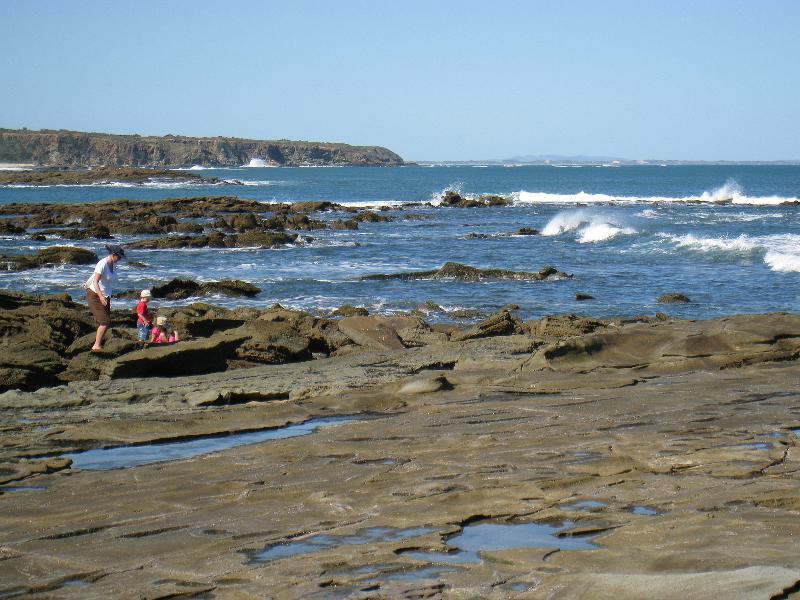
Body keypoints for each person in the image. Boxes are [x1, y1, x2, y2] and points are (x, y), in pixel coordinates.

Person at [85, 244, 125, 351]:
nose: (120, 259)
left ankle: (98, 343)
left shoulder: (114, 264)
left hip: (106, 295)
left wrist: (105, 296)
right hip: (95, 294)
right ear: (113, 254)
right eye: (119, 256)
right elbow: (95, 281)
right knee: (105, 321)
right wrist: (101, 296)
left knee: (104, 322)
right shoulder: (102, 263)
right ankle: (96, 345)